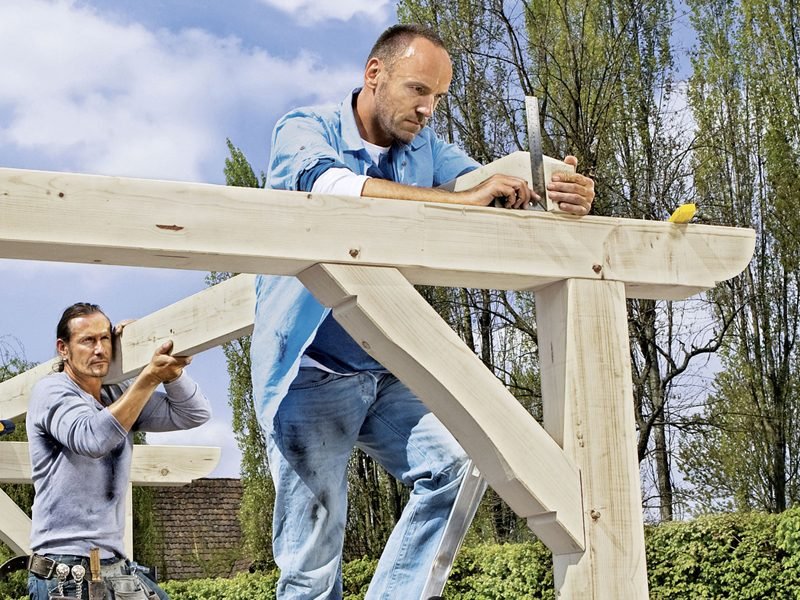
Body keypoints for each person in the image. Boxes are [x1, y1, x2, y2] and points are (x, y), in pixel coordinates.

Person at [250, 24, 595, 599]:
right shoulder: (306, 128)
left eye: (437, 97)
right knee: (311, 568)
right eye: (417, 90)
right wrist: (456, 199)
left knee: (457, 466)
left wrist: (556, 190)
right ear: (374, 74)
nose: (427, 109)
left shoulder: (424, 151)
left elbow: (490, 186)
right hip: (311, 374)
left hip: (385, 368)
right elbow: (329, 187)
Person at [26, 303, 212, 600]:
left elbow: (194, 413)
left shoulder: (117, 395)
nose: (99, 349)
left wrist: (172, 374)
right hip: (65, 570)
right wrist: (148, 377)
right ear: (63, 349)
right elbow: (92, 439)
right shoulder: (51, 391)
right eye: (87, 341)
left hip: (115, 566)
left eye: (105, 339)